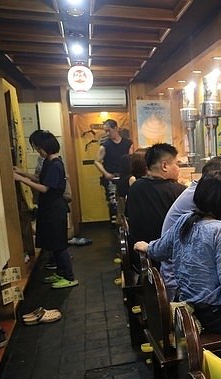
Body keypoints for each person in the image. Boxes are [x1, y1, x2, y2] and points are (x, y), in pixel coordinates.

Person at [134, 171, 221, 333]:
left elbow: (159, 251)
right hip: (211, 314)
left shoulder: (185, 220)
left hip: (186, 306)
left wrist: (147, 247)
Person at [160, 156, 221, 299]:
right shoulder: (220, 230)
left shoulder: (197, 200)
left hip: (184, 287)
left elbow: (157, 250)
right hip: (190, 292)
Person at [13, 132, 78, 289]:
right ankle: (61, 273)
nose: (36, 150)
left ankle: (69, 277)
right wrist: (22, 172)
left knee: (59, 244)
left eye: (36, 146)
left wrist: (21, 179)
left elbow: (45, 188)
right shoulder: (49, 162)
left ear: (43, 147)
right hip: (49, 208)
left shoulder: (56, 164)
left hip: (55, 209)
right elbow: (40, 179)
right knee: (54, 243)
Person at [126, 143, 185, 251]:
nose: (178, 169)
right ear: (164, 166)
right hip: (166, 256)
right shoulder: (180, 191)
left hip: (139, 253)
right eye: (177, 164)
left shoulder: (135, 187)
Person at [94, 119, 133, 225]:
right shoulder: (105, 145)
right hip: (112, 177)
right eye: (105, 131)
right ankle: (114, 225)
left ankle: (127, 223)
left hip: (125, 177)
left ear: (116, 128)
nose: (107, 133)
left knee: (128, 200)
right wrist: (106, 173)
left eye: (109, 130)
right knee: (113, 202)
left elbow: (131, 159)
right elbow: (97, 161)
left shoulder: (127, 143)